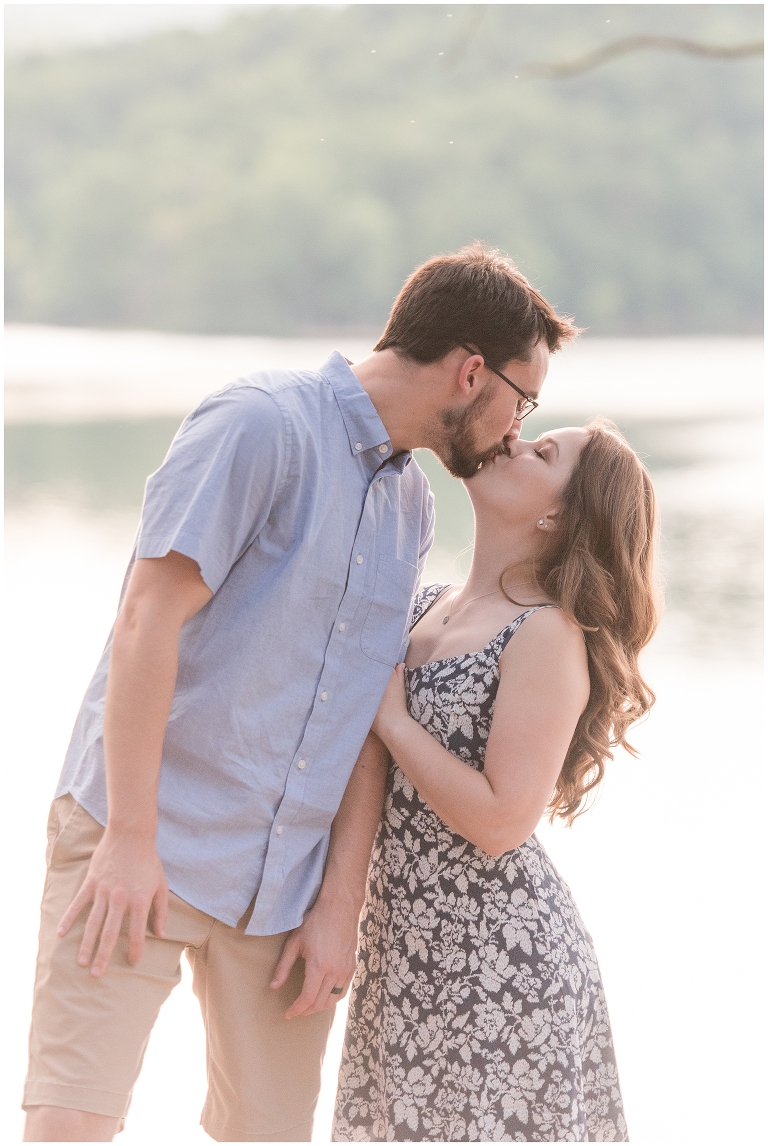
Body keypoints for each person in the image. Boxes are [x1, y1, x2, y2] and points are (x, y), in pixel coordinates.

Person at [22, 244, 577, 1143]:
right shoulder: (260, 425)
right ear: (472, 372)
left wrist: (336, 908)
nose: (518, 426)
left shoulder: (411, 508)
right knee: (71, 1123)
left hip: (281, 893)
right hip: (144, 840)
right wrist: (126, 840)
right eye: (525, 397)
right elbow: (143, 623)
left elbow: (364, 718)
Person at [333, 419, 659, 1142]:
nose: (514, 442)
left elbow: (503, 820)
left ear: (559, 516)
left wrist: (393, 722)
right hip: (408, 951)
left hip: (500, 964)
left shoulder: (545, 632)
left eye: (543, 454)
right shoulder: (427, 604)